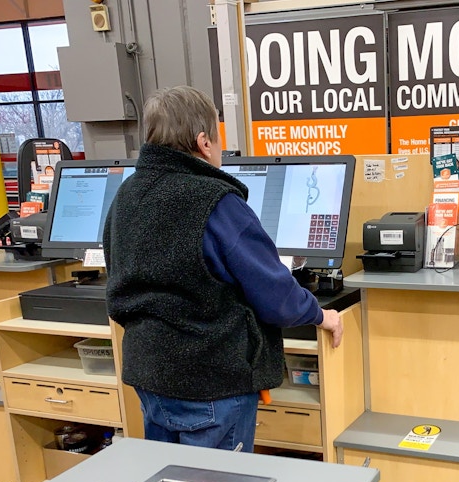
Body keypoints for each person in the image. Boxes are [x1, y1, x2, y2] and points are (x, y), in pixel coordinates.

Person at [103, 86, 343, 452]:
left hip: (149, 372)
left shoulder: (127, 194)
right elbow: (273, 292)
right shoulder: (216, 202)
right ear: (203, 142)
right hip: (210, 379)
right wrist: (321, 315)